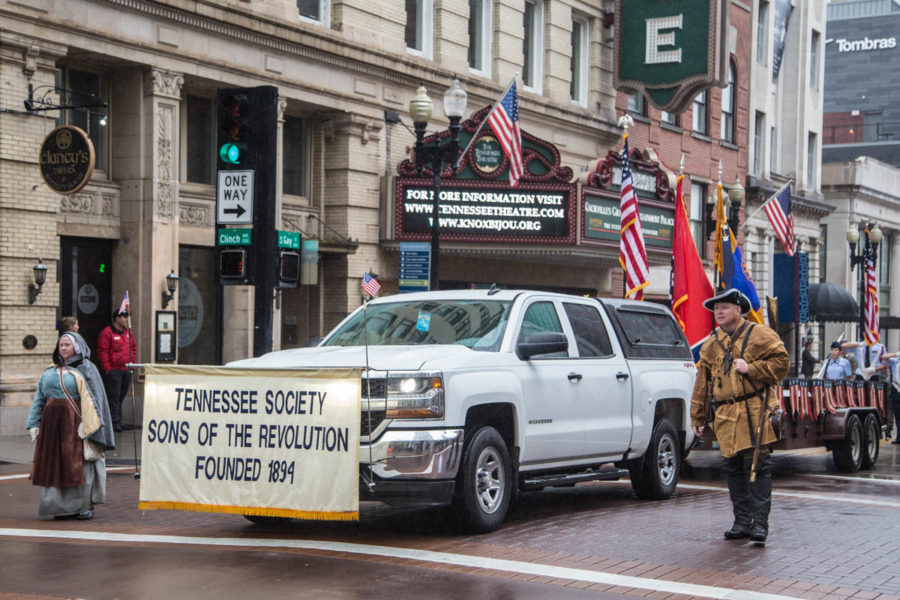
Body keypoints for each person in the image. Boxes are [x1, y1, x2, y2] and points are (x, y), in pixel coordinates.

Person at [690, 288, 790, 545]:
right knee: (733, 471)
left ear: (738, 310)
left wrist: (752, 368)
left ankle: (760, 525)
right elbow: (703, 381)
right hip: (725, 415)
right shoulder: (712, 342)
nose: (719, 312)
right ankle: (742, 522)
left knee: (757, 469)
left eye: (724, 307)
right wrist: (697, 417)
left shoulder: (761, 334)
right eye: (716, 308)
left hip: (754, 412)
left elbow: (782, 363)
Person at [26, 333, 111, 519]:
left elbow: (97, 400)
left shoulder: (88, 369)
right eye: (61, 344)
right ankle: (59, 507)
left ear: (77, 347)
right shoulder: (50, 371)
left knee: (79, 465)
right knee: (56, 464)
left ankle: (84, 506)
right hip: (52, 427)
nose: (63, 348)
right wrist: (34, 423)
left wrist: (90, 425)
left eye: (67, 345)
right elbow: (40, 398)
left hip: (77, 425)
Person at [97, 308, 137, 432]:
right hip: (114, 370)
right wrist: (108, 369)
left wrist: (133, 365)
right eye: (124, 317)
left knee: (121, 396)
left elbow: (133, 348)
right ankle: (114, 421)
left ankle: (118, 419)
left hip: (126, 369)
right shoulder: (107, 332)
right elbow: (102, 351)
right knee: (114, 396)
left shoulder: (128, 333)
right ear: (117, 318)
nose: (126, 320)